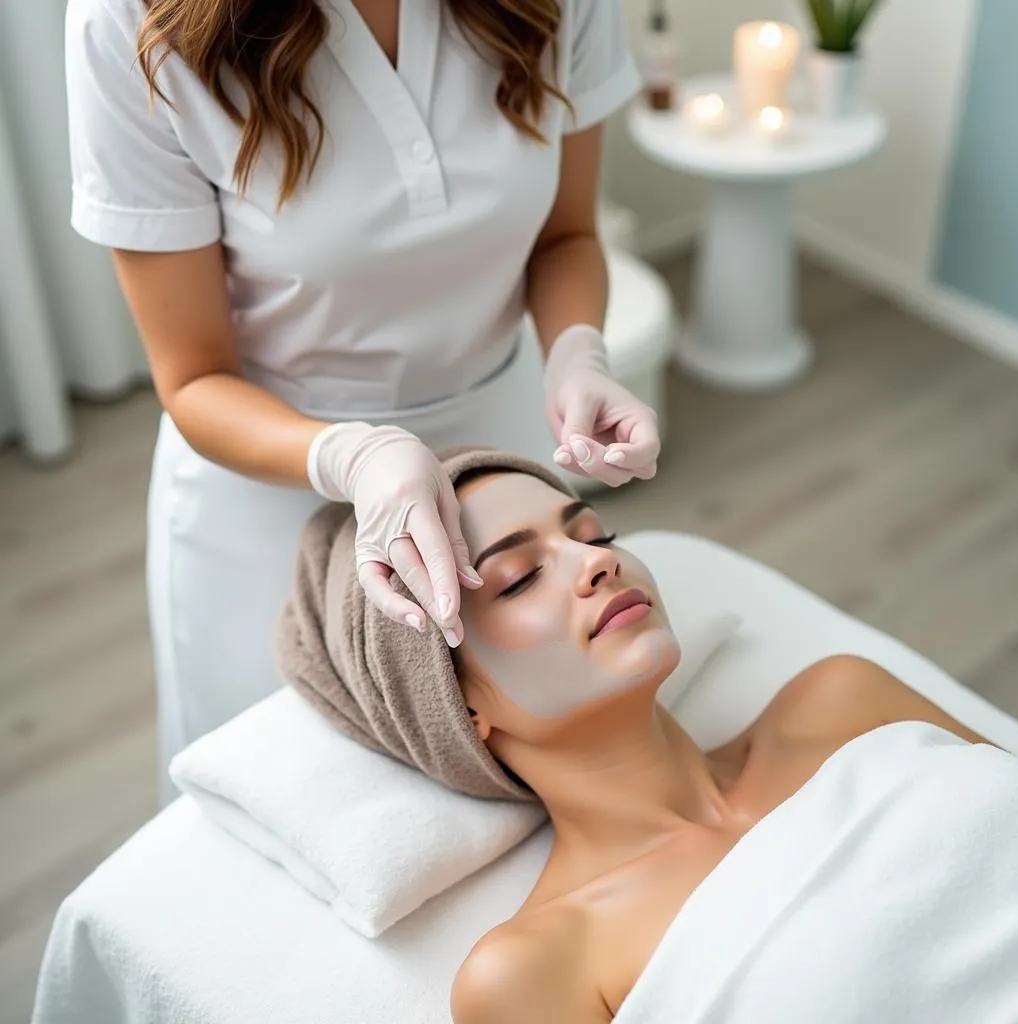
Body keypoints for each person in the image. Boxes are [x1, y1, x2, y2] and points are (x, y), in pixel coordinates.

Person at [64, 0, 660, 801]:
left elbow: (565, 239)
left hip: (496, 448)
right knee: (278, 800)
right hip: (272, 477)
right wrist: (358, 454)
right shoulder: (127, 22)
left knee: (512, 781)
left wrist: (576, 353)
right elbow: (194, 379)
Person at [276, 447, 1018, 1023]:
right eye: (517, 578)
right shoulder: (539, 968)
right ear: (460, 708)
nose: (599, 561)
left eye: (594, 533)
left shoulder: (845, 699)